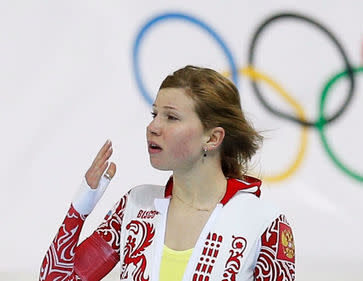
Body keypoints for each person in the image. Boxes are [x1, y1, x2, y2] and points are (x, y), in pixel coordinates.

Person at [39, 65, 296, 281]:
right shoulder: (135, 206)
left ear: (213, 137)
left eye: (171, 117)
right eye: (154, 114)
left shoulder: (265, 223)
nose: (152, 126)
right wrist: (80, 208)